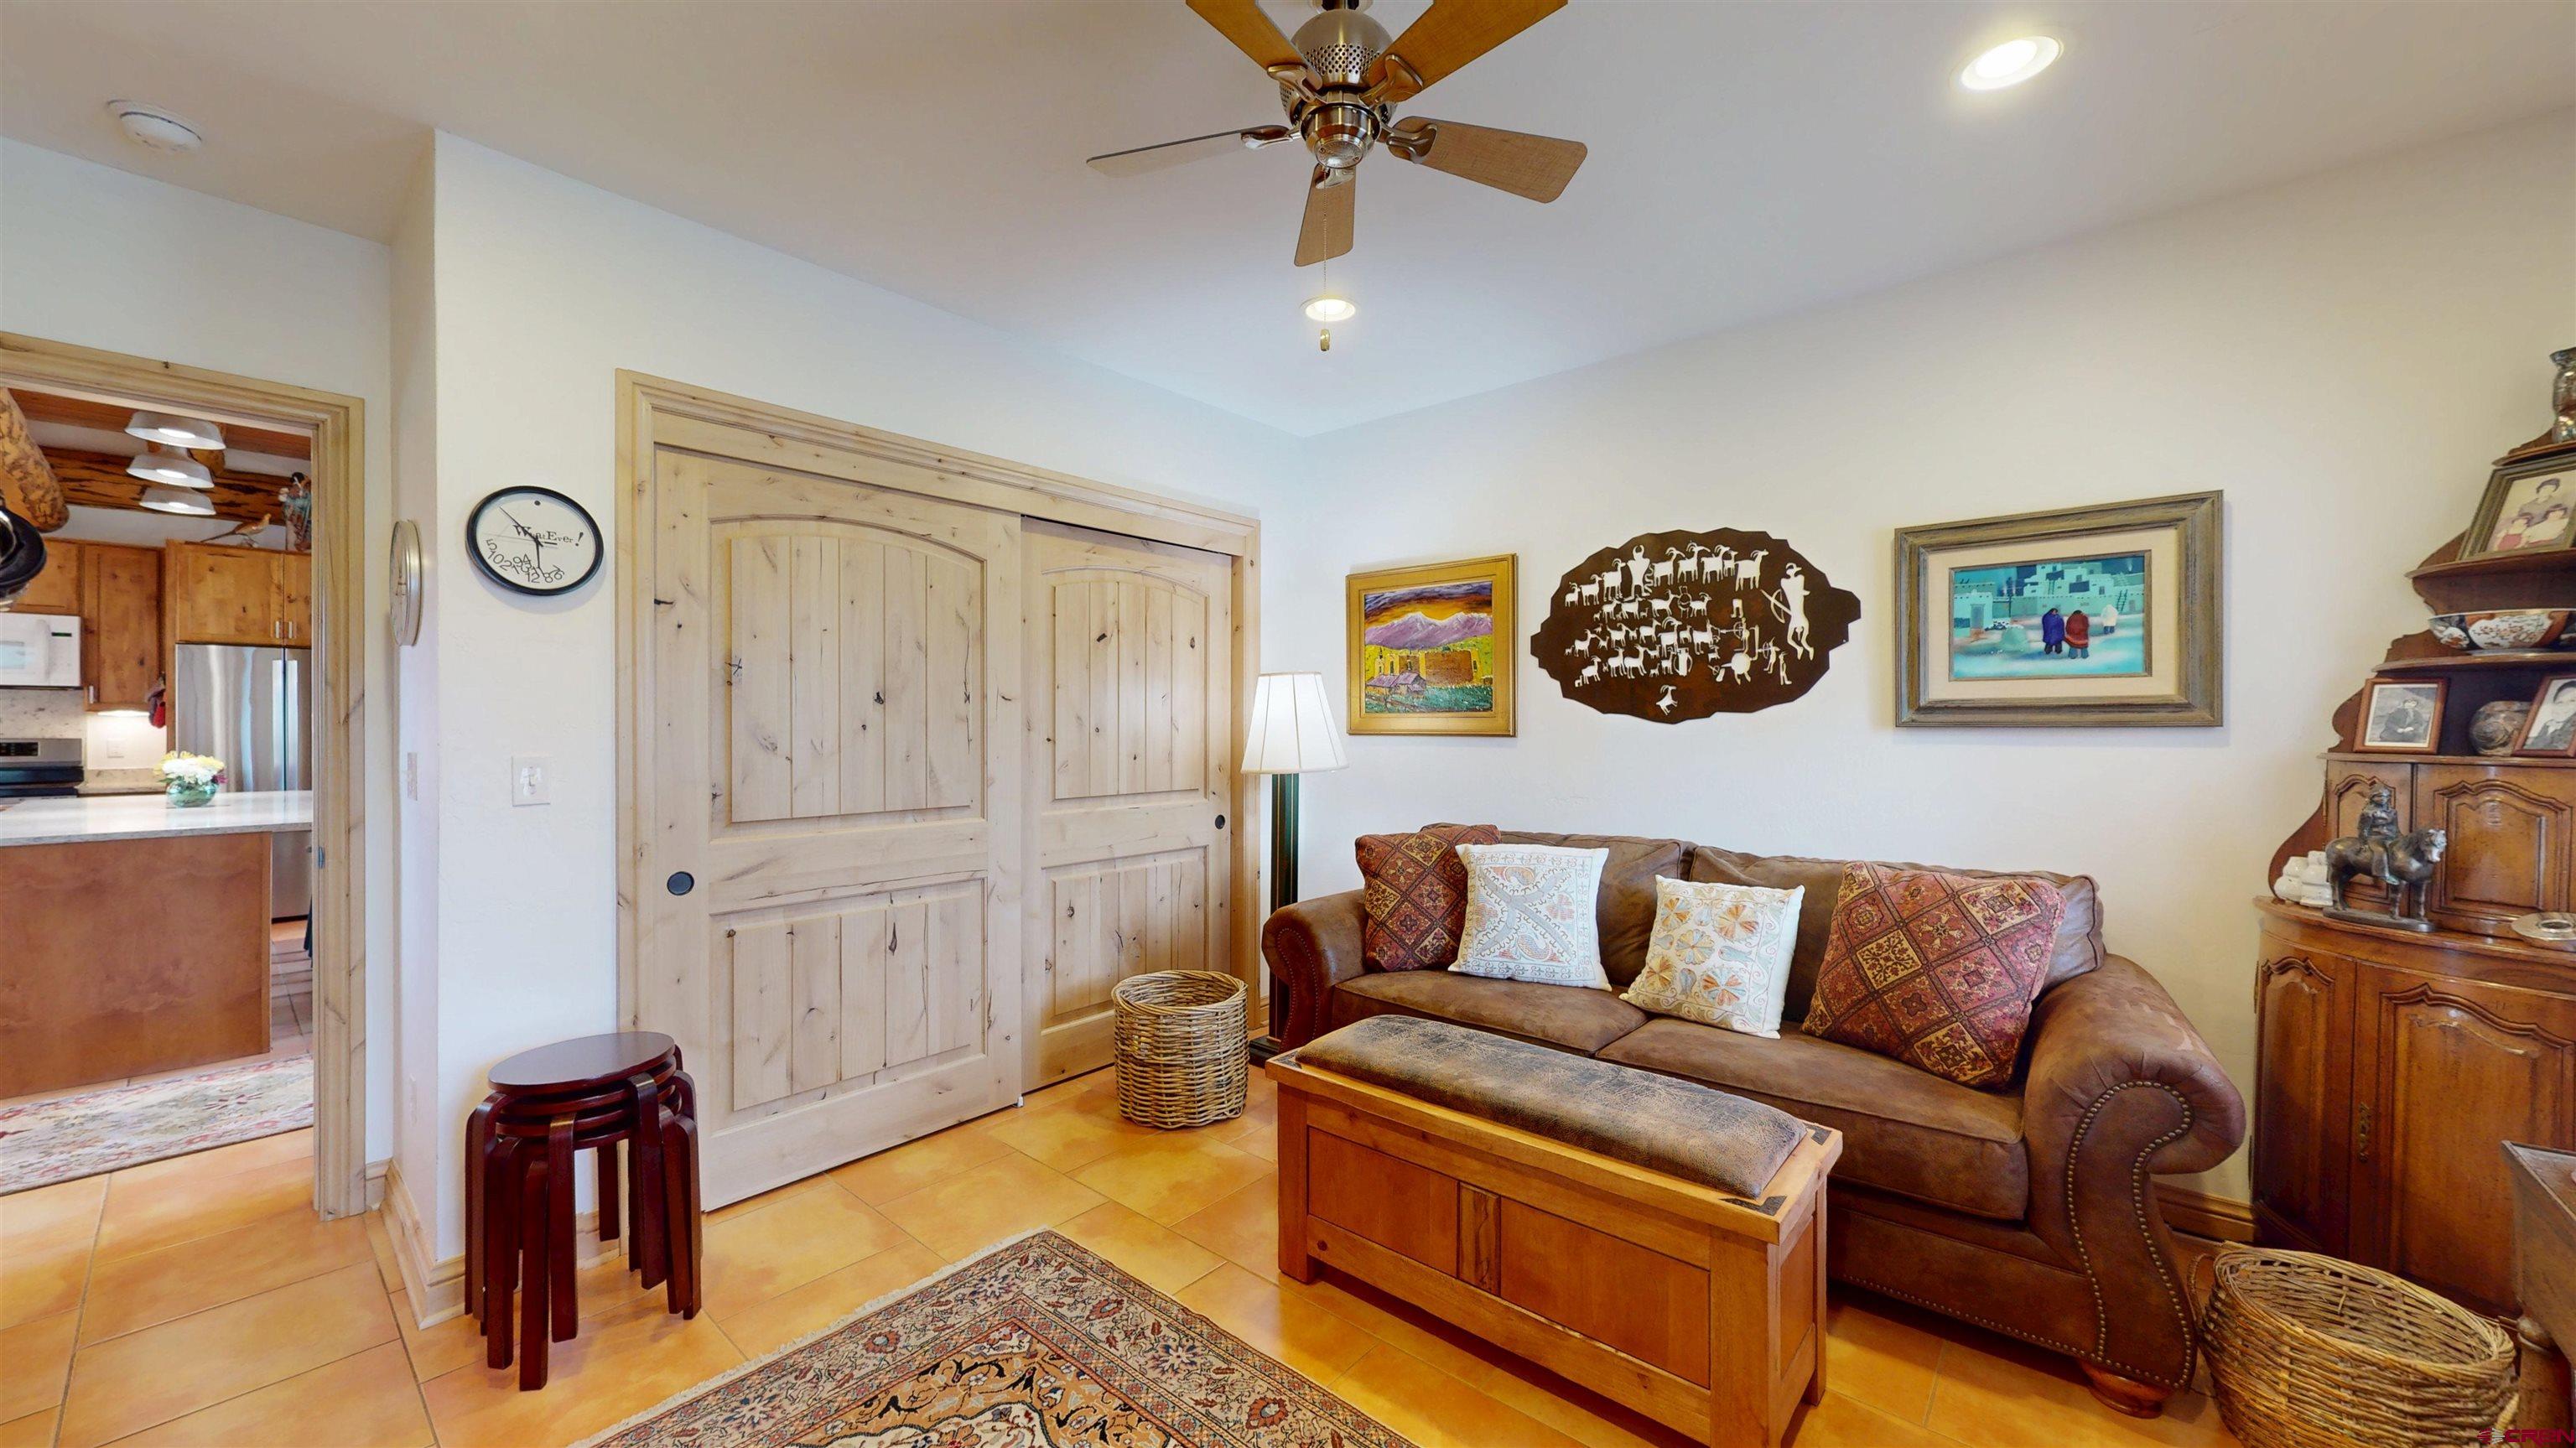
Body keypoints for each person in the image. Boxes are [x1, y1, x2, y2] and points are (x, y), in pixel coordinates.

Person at [2527, 681, 2576, 752]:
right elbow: (2533, 748)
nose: (2564, 706)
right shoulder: (2549, 725)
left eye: (2572, 701)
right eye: (2560, 702)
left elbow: (2558, 749)